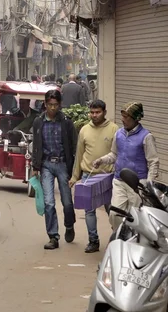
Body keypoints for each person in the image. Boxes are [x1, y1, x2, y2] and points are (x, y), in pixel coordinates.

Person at [93, 102, 159, 231]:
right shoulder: (118, 134)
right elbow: (114, 154)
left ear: (136, 118)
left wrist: (148, 185)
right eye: (122, 116)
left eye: (127, 117)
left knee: (134, 218)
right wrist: (101, 160)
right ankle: (120, 238)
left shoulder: (146, 137)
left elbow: (153, 162)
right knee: (114, 214)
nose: (123, 119)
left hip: (138, 185)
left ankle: (132, 243)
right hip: (119, 181)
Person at [69, 99, 118, 253]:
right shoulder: (84, 130)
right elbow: (79, 154)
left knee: (112, 210)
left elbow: (118, 154)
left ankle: (117, 240)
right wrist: (74, 177)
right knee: (89, 210)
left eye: (98, 112)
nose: (94, 115)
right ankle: (93, 241)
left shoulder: (114, 129)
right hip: (87, 176)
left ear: (104, 112)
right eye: (92, 112)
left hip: (107, 176)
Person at [32, 89, 77, 250]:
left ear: (60, 105)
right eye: (50, 105)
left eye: (55, 105)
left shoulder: (66, 122)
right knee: (49, 202)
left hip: (63, 164)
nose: (52, 108)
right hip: (46, 166)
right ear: (45, 104)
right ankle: (53, 236)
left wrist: (75, 170)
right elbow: (36, 145)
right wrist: (35, 166)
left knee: (67, 202)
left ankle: (69, 225)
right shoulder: (38, 122)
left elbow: (74, 145)